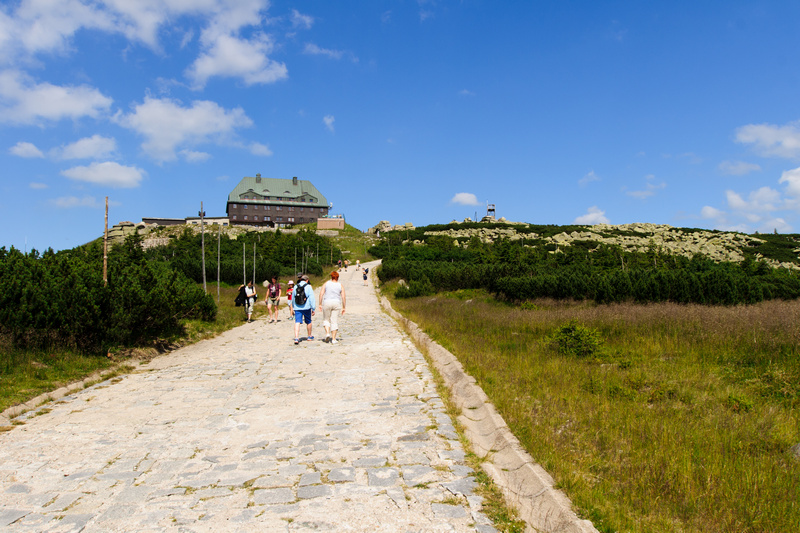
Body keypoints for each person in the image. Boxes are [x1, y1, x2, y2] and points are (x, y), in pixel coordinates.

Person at [319, 271, 346, 344]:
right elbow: (343, 296)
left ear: (331, 277)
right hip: (336, 303)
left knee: (326, 319)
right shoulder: (340, 285)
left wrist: (320, 304)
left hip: (327, 302)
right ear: (338, 277)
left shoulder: (326, 283)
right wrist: (344, 307)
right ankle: (333, 339)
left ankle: (327, 333)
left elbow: (321, 293)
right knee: (334, 321)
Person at [293, 274, 316, 345]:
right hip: (306, 307)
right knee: (308, 321)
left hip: (297, 307)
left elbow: (293, 298)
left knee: (297, 322)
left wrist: (293, 307)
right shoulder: (308, 287)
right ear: (307, 280)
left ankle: (296, 337)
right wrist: (313, 308)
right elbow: (312, 298)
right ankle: (309, 336)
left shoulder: (295, 286)